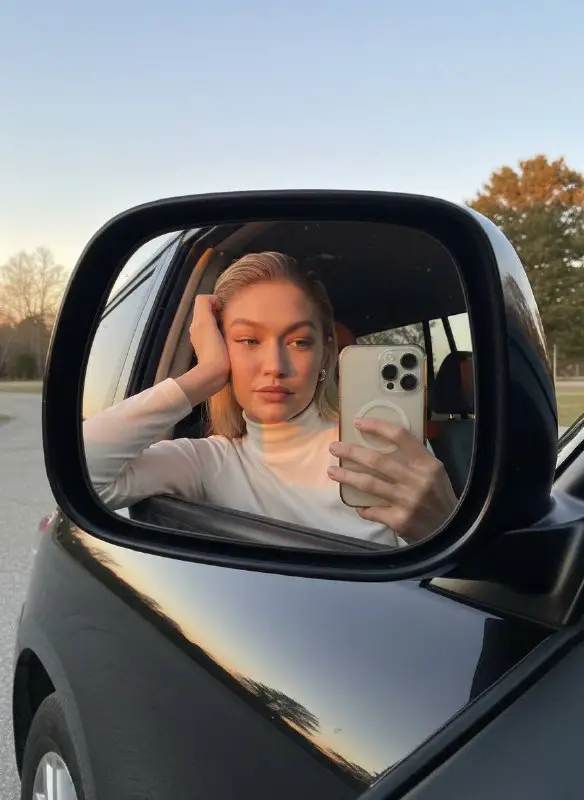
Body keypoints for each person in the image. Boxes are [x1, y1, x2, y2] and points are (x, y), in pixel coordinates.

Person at [83, 251, 457, 547]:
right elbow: (86, 474)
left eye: (299, 342)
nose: (275, 366)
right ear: (219, 348)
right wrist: (206, 375)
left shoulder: (377, 444)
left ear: (325, 355)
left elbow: (439, 579)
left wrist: (443, 524)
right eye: (248, 341)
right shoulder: (208, 461)